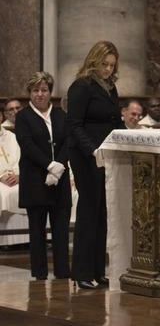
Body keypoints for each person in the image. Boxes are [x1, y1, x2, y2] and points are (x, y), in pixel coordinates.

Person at [67, 40, 125, 289]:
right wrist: (92, 150)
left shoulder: (110, 88)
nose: (108, 70)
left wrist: (129, 136)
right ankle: (81, 272)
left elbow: (115, 121)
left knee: (103, 212)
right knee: (89, 211)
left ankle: (97, 270)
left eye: (112, 65)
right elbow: (74, 125)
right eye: (104, 64)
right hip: (85, 155)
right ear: (94, 62)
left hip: (106, 156)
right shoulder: (82, 86)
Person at [15, 71, 71, 281]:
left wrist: (58, 168)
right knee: (37, 232)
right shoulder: (23, 117)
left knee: (61, 231)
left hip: (60, 180)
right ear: (30, 93)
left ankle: (63, 272)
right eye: (35, 90)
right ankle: (39, 275)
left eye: (44, 90)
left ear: (50, 92)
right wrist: (49, 166)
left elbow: (67, 143)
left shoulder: (60, 116)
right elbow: (27, 146)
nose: (40, 94)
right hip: (35, 181)